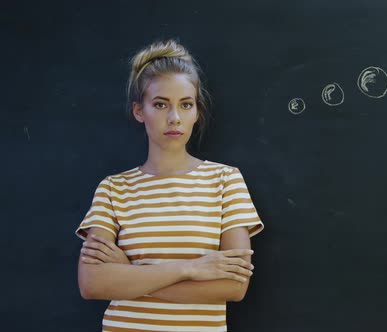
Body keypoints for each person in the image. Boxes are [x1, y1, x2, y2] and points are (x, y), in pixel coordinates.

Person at [75, 39, 264, 332]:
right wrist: (189, 269)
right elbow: (91, 283)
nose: (174, 117)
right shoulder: (113, 189)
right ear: (140, 111)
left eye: (185, 104)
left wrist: (129, 274)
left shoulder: (226, 181)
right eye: (161, 104)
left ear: (196, 112)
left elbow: (233, 286)